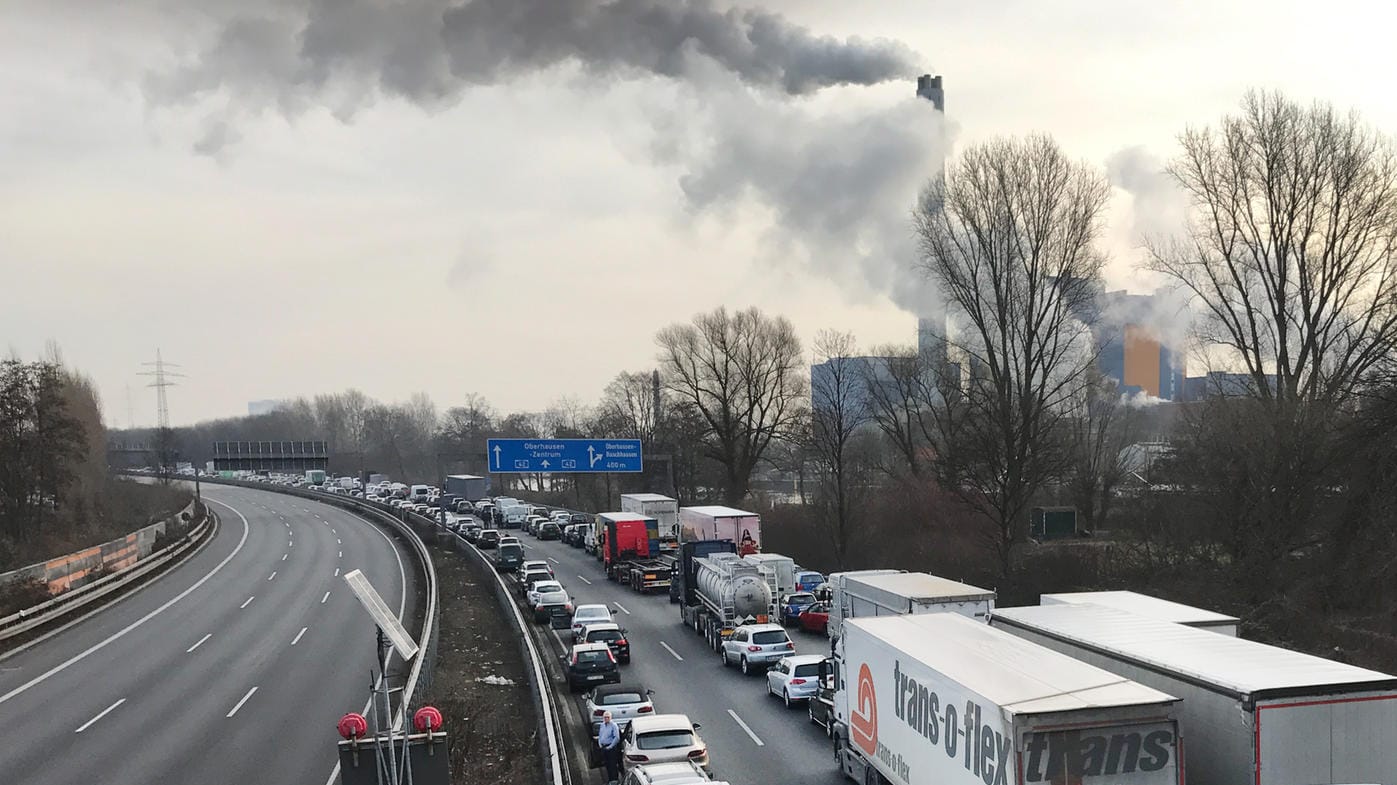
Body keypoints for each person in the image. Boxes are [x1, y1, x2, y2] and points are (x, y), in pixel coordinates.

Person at [597, 710, 622, 785]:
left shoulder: (614, 725)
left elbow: (617, 737)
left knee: (612, 765)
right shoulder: (602, 725)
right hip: (603, 747)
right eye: (605, 717)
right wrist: (600, 744)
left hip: (611, 748)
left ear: (610, 718)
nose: (606, 718)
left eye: (608, 717)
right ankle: (610, 780)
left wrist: (610, 746)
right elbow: (600, 735)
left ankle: (614, 781)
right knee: (607, 764)